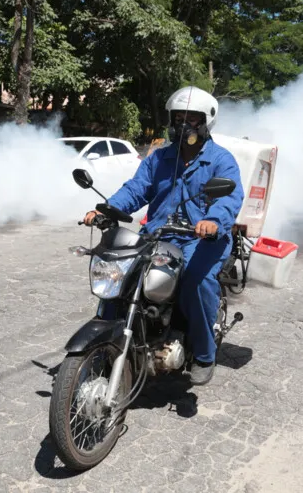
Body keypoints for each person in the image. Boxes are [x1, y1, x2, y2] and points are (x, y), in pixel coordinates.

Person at [83, 86, 245, 385]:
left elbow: (230, 199)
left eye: (192, 118)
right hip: (158, 233)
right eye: (178, 117)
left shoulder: (222, 160)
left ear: (206, 121)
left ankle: (204, 354)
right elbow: (137, 188)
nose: (184, 124)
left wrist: (212, 220)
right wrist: (108, 209)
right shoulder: (159, 159)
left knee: (197, 282)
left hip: (202, 239)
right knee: (124, 275)